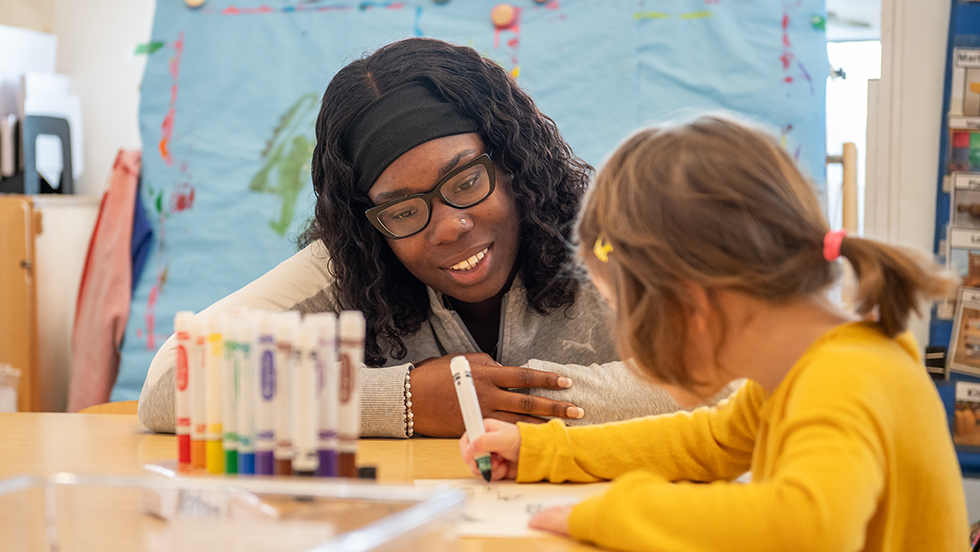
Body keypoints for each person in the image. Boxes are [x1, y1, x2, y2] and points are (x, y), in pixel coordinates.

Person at [137, 38, 735, 438]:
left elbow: (736, 373)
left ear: (514, 163)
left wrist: (497, 404)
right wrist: (406, 401)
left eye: (467, 179)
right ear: (367, 222)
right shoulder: (349, 264)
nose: (450, 224)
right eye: (401, 210)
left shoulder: (609, 240)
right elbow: (171, 383)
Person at [460, 116, 968, 550]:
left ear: (691, 305)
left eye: (623, 310)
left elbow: (807, 526)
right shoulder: (815, 364)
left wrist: (607, 514)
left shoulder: (844, 380)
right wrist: (543, 451)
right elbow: (708, 441)